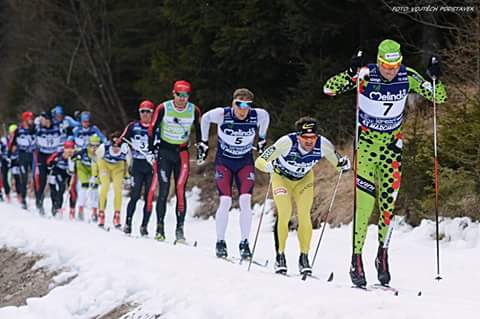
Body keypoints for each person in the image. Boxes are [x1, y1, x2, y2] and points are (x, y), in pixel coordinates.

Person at [323, 39, 447, 287]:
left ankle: (382, 255)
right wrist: (350, 72)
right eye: (386, 66)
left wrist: (435, 76)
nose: (390, 71)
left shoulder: (407, 76)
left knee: (388, 208)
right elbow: (328, 89)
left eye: (394, 66)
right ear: (378, 62)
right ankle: (356, 259)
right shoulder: (365, 75)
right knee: (364, 206)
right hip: (367, 150)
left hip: (391, 152)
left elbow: (440, 97)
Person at [255, 117, 350, 275]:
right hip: (282, 179)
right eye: (305, 138)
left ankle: (304, 258)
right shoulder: (286, 142)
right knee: (285, 213)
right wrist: (268, 166)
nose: (309, 141)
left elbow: (339, 164)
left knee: (305, 215)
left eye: (313, 137)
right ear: (298, 136)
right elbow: (259, 161)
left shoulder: (323, 144)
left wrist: (344, 165)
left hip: (304, 180)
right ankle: (280, 256)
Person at [198, 88, 270, 259]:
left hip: (244, 162)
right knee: (226, 200)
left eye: (247, 105)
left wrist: (262, 138)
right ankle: (220, 242)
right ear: (233, 104)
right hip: (224, 162)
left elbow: (266, 117)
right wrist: (203, 142)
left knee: (246, 200)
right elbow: (205, 119)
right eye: (239, 104)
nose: (243, 109)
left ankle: (244, 243)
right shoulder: (222, 114)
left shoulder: (257, 115)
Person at [148, 80, 202, 243]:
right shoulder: (164, 108)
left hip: (182, 154)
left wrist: (201, 149)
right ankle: (160, 228)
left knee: (180, 190)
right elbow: (152, 128)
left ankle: (180, 230)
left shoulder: (194, 110)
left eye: (186, 95)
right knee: (164, 190)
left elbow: (199, 131)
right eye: (179, 95)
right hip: (164, 152)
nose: (182, 99)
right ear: (174, 94)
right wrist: (151, 150)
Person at [119, 100, 156, 236]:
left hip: (151, 166)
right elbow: (121, 140)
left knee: (149, 197)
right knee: (134, 195)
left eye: (148, 112)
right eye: (143, 111)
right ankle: (128, 223)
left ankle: (144, 226)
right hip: (137, 166)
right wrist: (123, 146)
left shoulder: (157, 126)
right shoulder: (133, 126)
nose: (145, 114)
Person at [92, 132, 131, 228]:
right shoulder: (103, 147)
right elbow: (94, 160)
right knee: (105, 187)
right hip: (104, 165)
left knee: (118, 190)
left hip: (118, 167)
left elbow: (128, 163)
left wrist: (127, 176)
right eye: (113, 146)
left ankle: (117, 215)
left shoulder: (125, 149)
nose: (115, 148)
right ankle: (101, 213)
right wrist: (94, 175)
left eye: (118, 146)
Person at [34, 111, 65, 215]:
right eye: (40, 120)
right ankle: (39, 204)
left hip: (53, 156)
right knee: (42, 181)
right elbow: (33, 141)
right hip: (42, 156)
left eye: (43, 119)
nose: (41, 121)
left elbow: (62, 143)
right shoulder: (38, 128)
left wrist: (56, 156)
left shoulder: (57, 128)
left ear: (48, 119)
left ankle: (55, 206)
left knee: (53, 182)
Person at [9, 111, 36, 210]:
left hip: (32, 155)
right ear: (25, 119)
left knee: (34, 177)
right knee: (23, 178)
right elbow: (13, 143)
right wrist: (10, 153)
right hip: (22, 155)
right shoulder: (18, 130)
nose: (31, 120)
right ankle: (23, 199)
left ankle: (38, 201)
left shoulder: (34, 128)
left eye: (31, 118)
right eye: (29, 118)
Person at [70, 134, 101, 221]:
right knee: (84, 187)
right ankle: (80, 209)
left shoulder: (101, 153)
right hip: (83, 169)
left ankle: (95, 211)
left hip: (95, 171)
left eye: (97, 146)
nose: (94, 148)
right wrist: (74, 162)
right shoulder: (83, 151)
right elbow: (72, 158)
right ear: (88, 145)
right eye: (92, 146)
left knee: (94, 189)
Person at [46, 140, 75, 216]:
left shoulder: (74, 156)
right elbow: (49, 161)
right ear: (64, 148)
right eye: (67, 149)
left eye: (71, 149)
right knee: (61, 188)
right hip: (59, 171)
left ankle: (72, 209)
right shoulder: (59, 153)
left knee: (72, 190)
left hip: (69, 173)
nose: (69, 151)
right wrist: (51, 163)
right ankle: (57, 207)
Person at [0, 124, 17, 202]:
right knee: (4, 176)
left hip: (15, 160)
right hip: (4, 159)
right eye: (13, 132)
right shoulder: (4, 140)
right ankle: (7, 193)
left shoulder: (18, 140)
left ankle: (19, 193)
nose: (14, 134)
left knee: (17, 176)